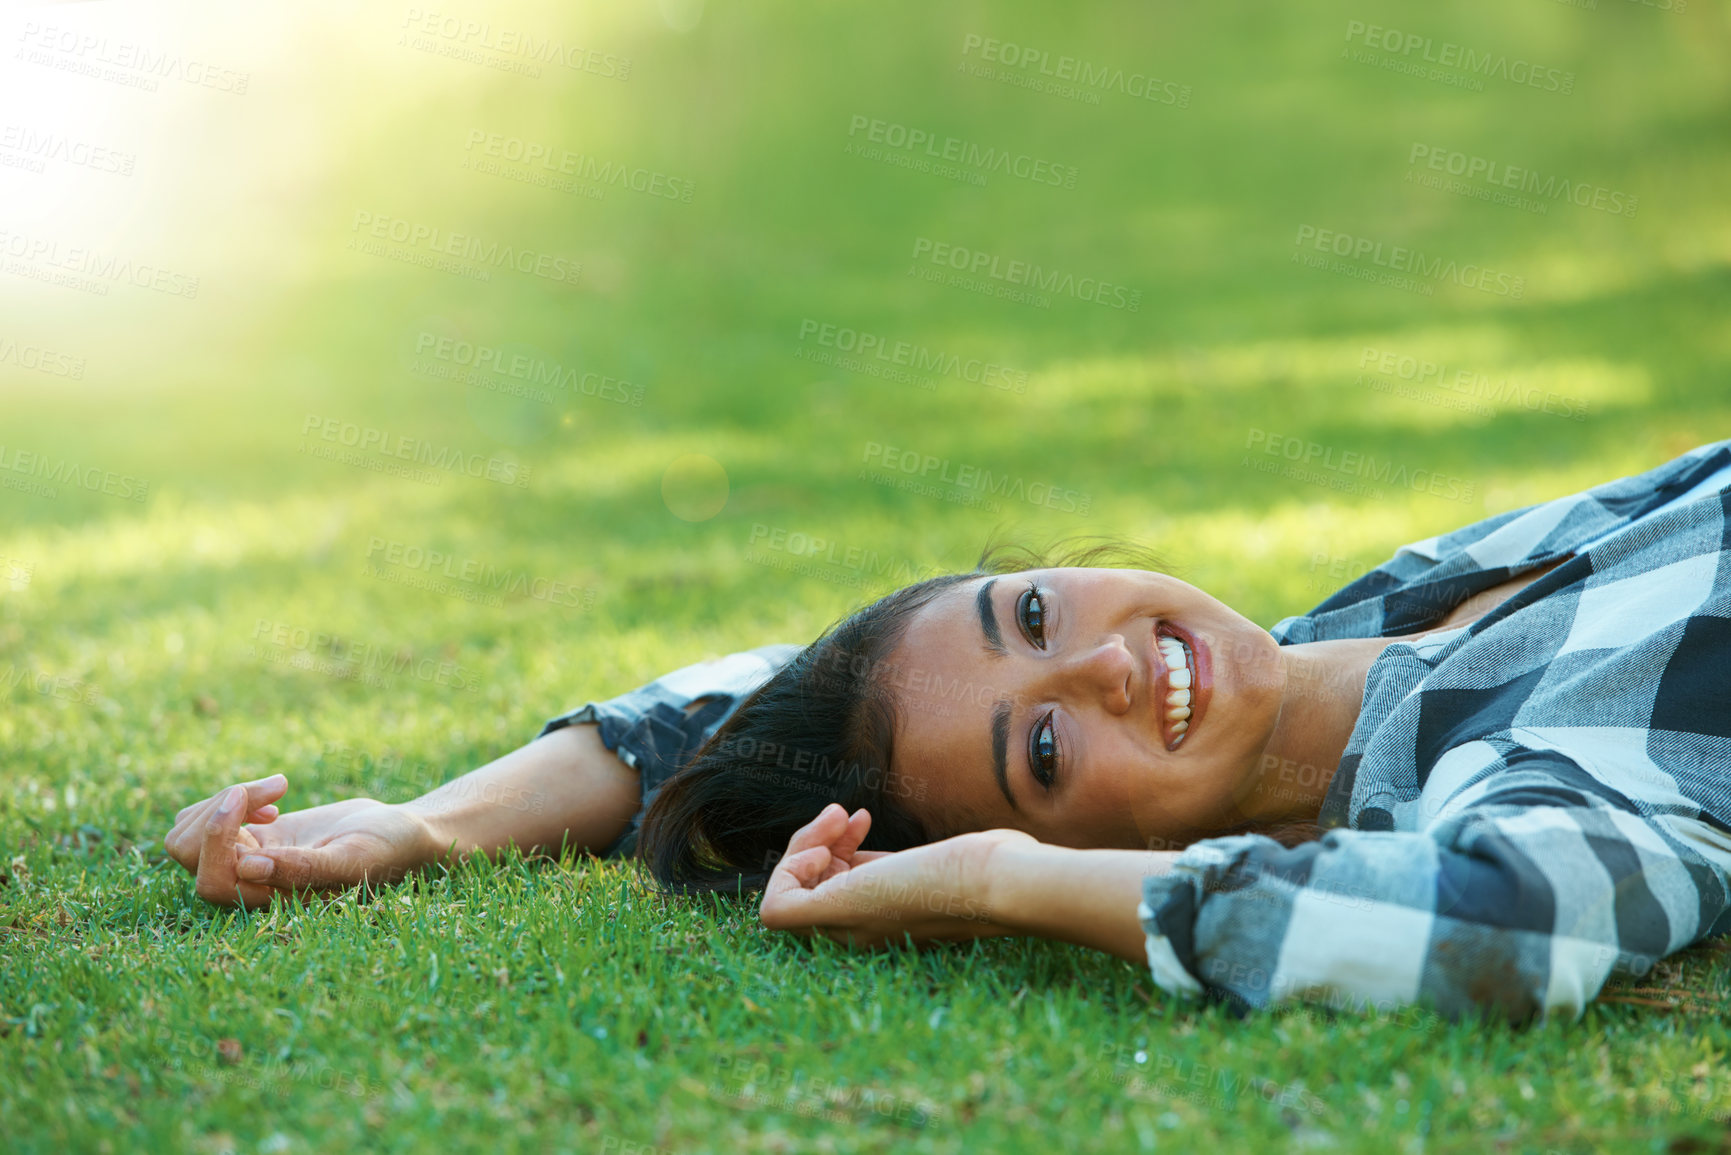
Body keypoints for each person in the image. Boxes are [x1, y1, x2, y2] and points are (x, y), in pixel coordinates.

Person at [164, 440, 1731, 1023]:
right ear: (1128, 849)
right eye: (1042, 760)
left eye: (1033, 615)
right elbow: (1499, 936)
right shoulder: (1542, 770)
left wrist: (436, 824)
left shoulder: (1383, 617)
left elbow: (758, 689)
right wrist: (990, 883)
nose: (1103, 674)